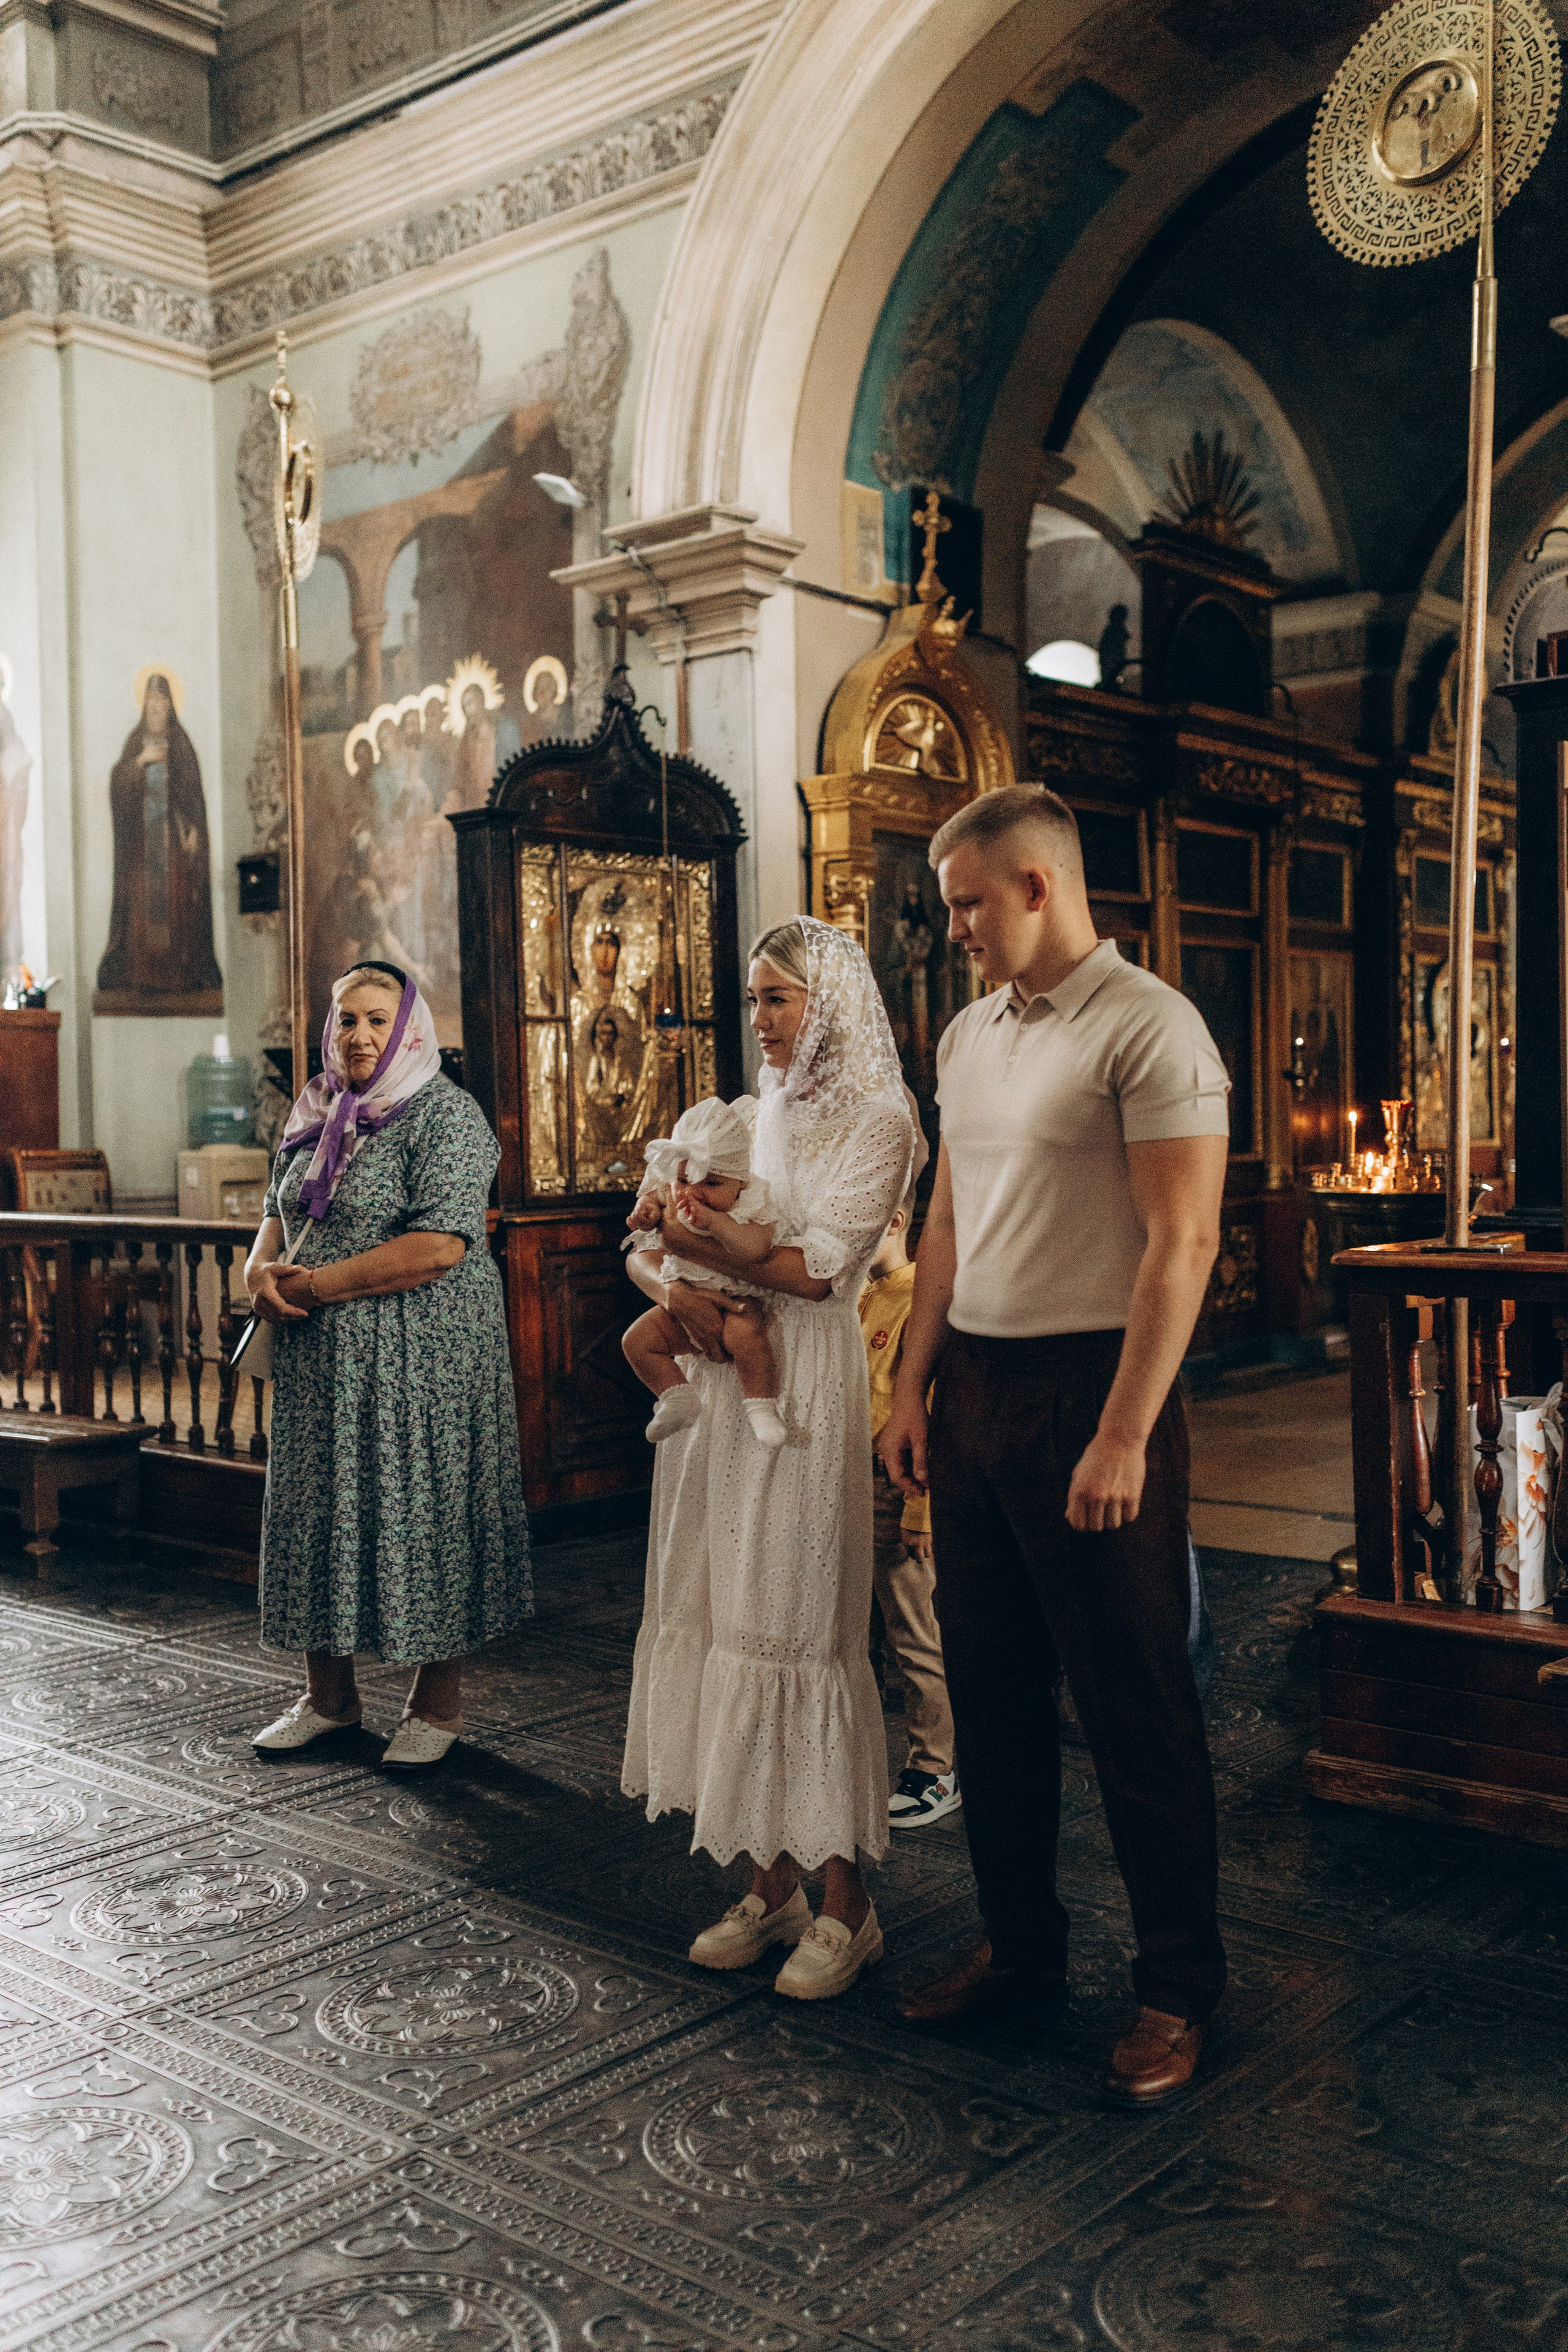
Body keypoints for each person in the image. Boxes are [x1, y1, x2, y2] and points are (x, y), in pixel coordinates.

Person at [880, 784, 1229, 2109]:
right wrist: (914, 1389)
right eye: (948, 903)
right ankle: (1022, 1952)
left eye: (969, 902)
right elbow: (946, 1226)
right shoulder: (968, 1034)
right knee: (991, 1700)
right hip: (974, 1388)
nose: (953, 925)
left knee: (1135, 1704)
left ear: (1038, 885)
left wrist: (1124, 1432)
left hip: (1095, 1389)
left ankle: (1175, 1993)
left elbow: (1180, 1244)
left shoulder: (1151, 1028)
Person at [621, 916, 919, 2000]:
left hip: (807, 1383)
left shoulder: (883, 1118)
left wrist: (690, 1247)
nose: (761, 1019)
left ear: (829, 1002)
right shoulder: (760, 1110)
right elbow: (650, 1239)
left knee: (804, 1622)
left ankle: (850, 1904)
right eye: (753, 1000)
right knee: (735, 1609)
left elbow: (815, 1272)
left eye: (779, 998)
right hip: (720, 1369)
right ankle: (771, 1881)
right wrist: (677, 1284)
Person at [245, 960, 531, 1770]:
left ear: (409, 1029)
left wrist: (317, 1286)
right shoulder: (315, 1112)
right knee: (314, 1516)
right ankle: (327, 1700)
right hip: (319, 1361)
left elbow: (439, 1245)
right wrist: (256, 1275)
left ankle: (434, 1705)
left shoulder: (449, 1116)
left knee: (422, 1511)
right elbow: (275, 1217)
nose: (360, 1036)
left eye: (378, 1020)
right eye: (346, 1021)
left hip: (423, 1356)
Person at [859, 1193, 959, 1828]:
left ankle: (935, 1769)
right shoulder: (857, 1293)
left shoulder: (921, 1294)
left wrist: (922, 1514)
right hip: (851, 1481)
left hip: (900, 1486)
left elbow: (930, 1410)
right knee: (860, 1633)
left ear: (895, 1223)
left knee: (915, 1636)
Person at [623, 1097, 789, 1448]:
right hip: (681, 1300)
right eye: (683, 1180)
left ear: (740, 1183)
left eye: (711, 1185)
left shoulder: (751, 1202)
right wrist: (646, 1210)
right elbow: (652, 1202)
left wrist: (717, 1224)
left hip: (737, 1302)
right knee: (637, 1341)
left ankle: (761, 1406)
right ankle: (677, 1397)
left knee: (749, 1339)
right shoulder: (673, 1191)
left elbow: (757, 1249)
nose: (692, 1193)